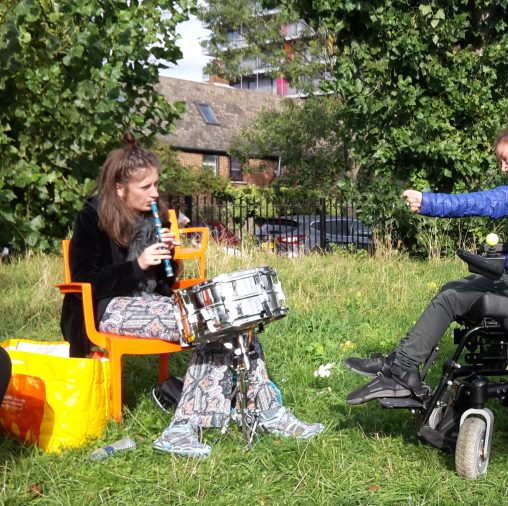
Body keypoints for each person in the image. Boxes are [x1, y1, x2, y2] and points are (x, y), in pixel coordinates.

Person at [60, 134, 323, 457]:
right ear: (119, 188)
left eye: (156, 184)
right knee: (208, 322)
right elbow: (84, 280)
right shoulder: (92, 218)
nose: (155, 193)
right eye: (146, 187)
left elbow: (165, 286)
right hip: (108, 307)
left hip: (152, 303)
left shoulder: (153, 214)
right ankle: (184, 427)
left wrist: (169, 256)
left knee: (237, 319)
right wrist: (138, 265)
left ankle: (267, 412)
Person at [345, 84, 508, 404]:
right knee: (453, 289)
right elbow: (480, 202)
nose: (503, 167)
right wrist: (428, 202)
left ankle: (403, 373)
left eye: (504, 158)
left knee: (453, 297)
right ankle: (401, 365)